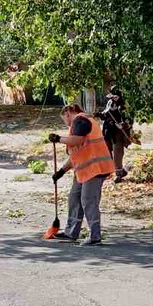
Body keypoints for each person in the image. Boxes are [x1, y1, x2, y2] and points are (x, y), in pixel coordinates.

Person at [48, 104, 116, 245]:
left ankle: (95, 236)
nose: (65, 122)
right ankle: (71, 233)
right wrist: (61, 172)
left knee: (88, 201)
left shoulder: (81, 121)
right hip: (85, 170)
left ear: (68, 112)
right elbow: (75, 155)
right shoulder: (76, 126)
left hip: (96, 168)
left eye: (64, 119)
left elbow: (77, 140)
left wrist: (59, 139)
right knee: (74, 197)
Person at [100, 84, 135, 181]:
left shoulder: (125, 105)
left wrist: (123, 124)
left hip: (118, 132)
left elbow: (130, 119)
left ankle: (119, 174)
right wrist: (101, 115)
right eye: (113, 96)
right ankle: (108, 170)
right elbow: (106, 113)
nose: (114, 98)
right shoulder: (110, 102)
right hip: (108, 130)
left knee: (117, 152)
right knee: (106, 150)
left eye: (116, 96)